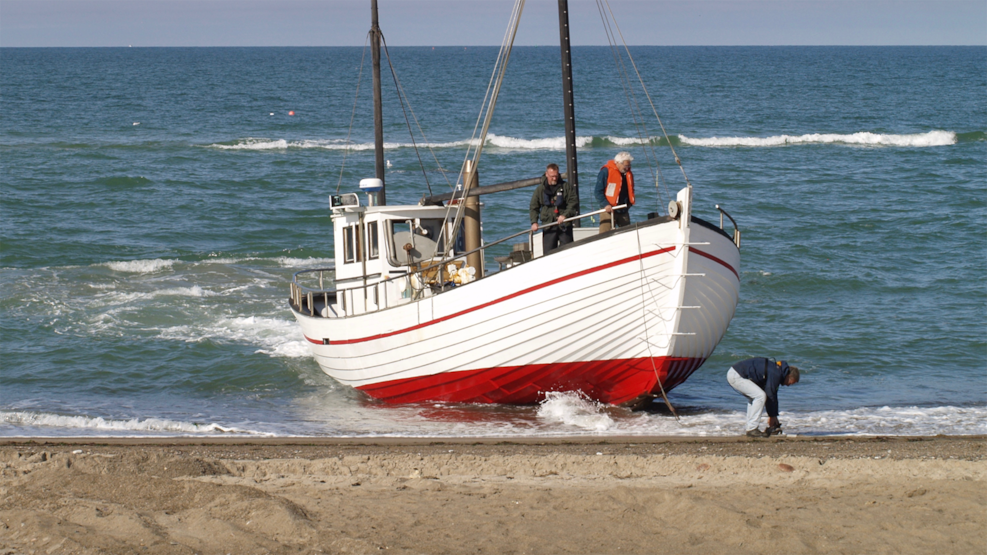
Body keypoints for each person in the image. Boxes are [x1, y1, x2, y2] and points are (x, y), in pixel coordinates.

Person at [726, 357, 800, 438]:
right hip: (737, 375)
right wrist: (772, 416)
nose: (789, 385)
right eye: (792, 382)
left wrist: (773, 416)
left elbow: (772, 396)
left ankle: (750, 428)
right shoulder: (776, 373)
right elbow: (770, 394)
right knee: (760, 396)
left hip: (734, 373)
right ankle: (752, 429)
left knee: (756, 397)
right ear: (789, 376)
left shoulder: (776, 370)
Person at [530, 163, 578, 255]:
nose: (554, 178)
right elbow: (534, 207)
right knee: (548, 253)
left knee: (568, 251)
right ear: (546, 174)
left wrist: (565, 215)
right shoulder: (540, 189)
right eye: (552, 176)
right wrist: (534, 222)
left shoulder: (566, 187)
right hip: (548, 226)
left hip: (564, 225)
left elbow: (573, 202)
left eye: (556, 176)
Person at [594, 151, 635, 233]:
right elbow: (598, 191)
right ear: (618, 163)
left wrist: (629, 203)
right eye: (626, 166)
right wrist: (605, 204)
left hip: (623, 209)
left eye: (629, 165)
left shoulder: (627, 174)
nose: (627, 168)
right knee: (604, 235)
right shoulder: (605, 172)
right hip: (608, 210)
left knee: (627, 233)